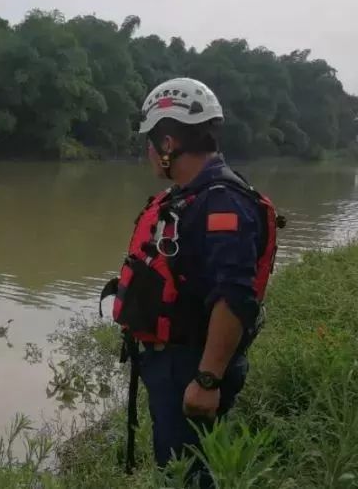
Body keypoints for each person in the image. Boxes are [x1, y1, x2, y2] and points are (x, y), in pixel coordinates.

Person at [100, 77, 283, 483]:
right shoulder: (193, 196)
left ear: (168, 144)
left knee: (186, 475)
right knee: (181, 468)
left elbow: (235, 296)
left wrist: (206, 379)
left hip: (192, 365)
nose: (147, 150)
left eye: (151, 139)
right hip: (176, 362)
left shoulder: (223, 204)